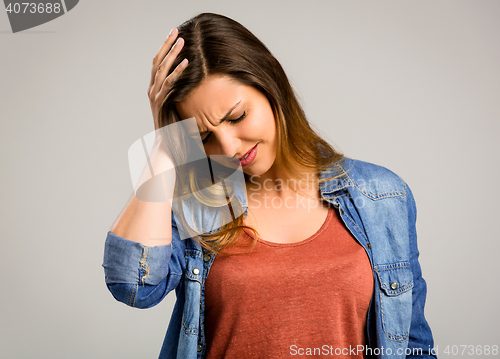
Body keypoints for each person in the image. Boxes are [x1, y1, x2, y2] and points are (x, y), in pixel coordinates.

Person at [102, 12, 436, 359]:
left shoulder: (382, 195)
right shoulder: (198, 202)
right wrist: (163, 145)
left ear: (270, 84)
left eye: (236, 117)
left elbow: (412, 346)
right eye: (204, 137)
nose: (229, 148)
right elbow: (134, 287)